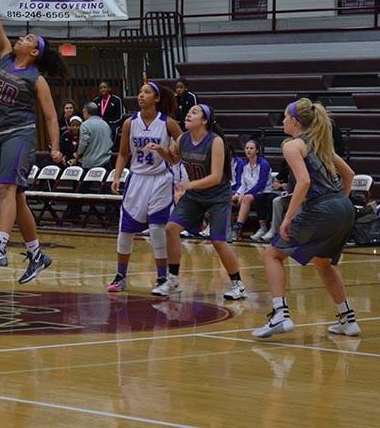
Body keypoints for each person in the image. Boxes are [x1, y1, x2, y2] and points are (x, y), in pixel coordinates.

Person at [0, 0, 68, 283]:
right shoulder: (2, 54)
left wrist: (55, 147)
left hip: (19, 134)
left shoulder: (35, 78)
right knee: (16, 198)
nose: (21, 38)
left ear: (35, 51)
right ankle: (36, 253)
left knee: (7, 189)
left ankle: (0, 247)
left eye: (28, 37)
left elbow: (51, 116)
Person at [252, 98, 359, 338]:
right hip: (344, 206)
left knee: (271, 255)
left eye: (284, 117)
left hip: (322, 208)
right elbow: (349, 174)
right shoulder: (321, 145)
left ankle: (280, 314)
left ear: (295, 121)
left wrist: (287, 217)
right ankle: (347, 319)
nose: (282, 121)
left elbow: (304, 181)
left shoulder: (292, 145)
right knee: (323, 263)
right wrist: (339, 201)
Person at [160, 104, 248, 300]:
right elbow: (174, 160)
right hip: (195, 195)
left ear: (205, 120)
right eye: (189, 111)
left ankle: (238, 284)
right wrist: (160, 150)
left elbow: (216, 177)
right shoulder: (183, 138)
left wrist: (189, 185)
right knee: (171, 228)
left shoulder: (215, 142)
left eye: (194, 112)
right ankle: (173, 280)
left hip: (217, 196)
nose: (189, 114)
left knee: (218, 240)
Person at [107, 82, 181, 294]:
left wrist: (163, 151)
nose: (141, 95)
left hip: (160, 179)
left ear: (156, 98)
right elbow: (122, 153)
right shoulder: (130, 123)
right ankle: (120, 275)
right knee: (126, 230)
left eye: (146, 92)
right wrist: (117, 176)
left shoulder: (169, 124)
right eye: (139, 92)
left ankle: (161, 277)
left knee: (158, 229)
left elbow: (177, 158)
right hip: (137, 178)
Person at [231, 139, 274, 240]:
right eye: (246, 148)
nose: (248, 150)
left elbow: (261, 185)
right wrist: (237, 194)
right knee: (231, 198)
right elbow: (242, 184)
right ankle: (218, 227)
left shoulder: (264, 164)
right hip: (248, 194)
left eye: (251, 148)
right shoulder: (245, 165)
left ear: (257, 150)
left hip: (263, 193)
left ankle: (238, 228)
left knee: (246, 199)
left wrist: (244, 194)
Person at [76, 102, 113, 170]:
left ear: (87, 112)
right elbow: (110, 141)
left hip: (90, 164)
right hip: (106, 162)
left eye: (83, 111)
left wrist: (77, 155)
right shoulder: (105, 124)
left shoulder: (85, 125)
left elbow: (83, 144)